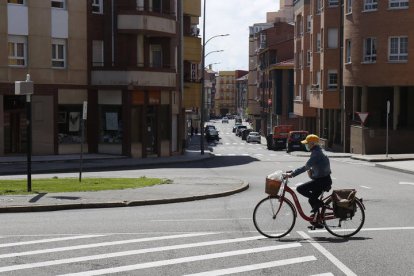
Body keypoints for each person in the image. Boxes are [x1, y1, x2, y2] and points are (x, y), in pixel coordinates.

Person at [286, 134, 332, 226]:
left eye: (307, 143)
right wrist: (293, 171)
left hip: (322, 181)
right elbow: (311, 167)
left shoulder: (316, 154)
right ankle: (317, 220)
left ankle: (320, 204)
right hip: (323, 180)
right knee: (312, 200)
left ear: (312, 144)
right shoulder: (317, 151)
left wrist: (293, 174)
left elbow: (306, 167)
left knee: (300, 189)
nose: (306, 145)